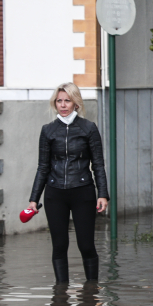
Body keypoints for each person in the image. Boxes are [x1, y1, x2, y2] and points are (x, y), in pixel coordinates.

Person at [29, 83, 109, 283]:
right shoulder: (48, 131)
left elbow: (98, 164)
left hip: (83, 192)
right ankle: (61, 293)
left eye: (67, 100)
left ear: (76, 103)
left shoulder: (88, 128)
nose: (63, 105)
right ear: (55, 104)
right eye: (59, 101)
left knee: (86, 245)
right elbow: (42, 167)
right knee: (59, 245)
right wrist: (33, 199)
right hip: (55, 193)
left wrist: (103, 194)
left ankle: (92, 291)